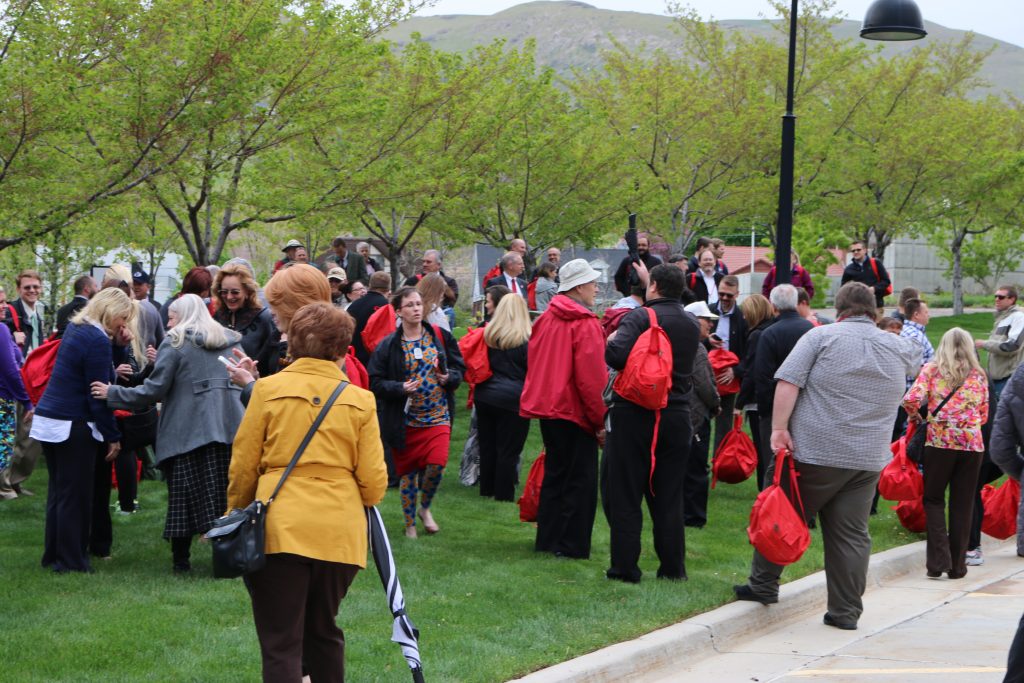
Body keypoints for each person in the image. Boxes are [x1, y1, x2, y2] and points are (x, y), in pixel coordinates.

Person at [733, 282, 920, 630]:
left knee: (781, 513)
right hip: (867, 458)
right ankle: (845, 612)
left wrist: (778, 429)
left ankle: (762, 585)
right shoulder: (897, 346)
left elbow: (788, 382)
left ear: (839, 309)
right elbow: (918, 362)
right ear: (875, 312)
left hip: (815, 451)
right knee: (851, 535)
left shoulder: (820, 337)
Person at [227, 302, 387, 682]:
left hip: (279, 526)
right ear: (342, 349)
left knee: (281, 642)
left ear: (291, 342)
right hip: (339, 533)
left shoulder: (266, 390)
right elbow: (374, 482)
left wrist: (235, 512)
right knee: (323, 632)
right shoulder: (360, 400)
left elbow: (244, 465)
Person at [94, 294, 245, 572]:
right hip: (229, 430)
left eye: (172, 317)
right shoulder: (232, 340)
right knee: (225, 498)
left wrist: (113, 393)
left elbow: (153, 390)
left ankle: (181, 562)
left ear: (183, 316)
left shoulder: (175, 343)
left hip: (187, 432)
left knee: (183, 500)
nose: (169, 322)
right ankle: (228, 560)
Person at [603, 264, 699, 582]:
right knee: (668, 495)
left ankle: (625, 568)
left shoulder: (641, 317)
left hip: (636, 413)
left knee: (627, 493)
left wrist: (613, 339)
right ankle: (673, 569)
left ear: (653, 286)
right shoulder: (690, 322)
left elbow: (615, 355)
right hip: (677, 415)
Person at [32, 288, 132, 572]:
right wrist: (113, 436)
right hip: (72, 423)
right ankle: (72, 561)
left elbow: (101, 373)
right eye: (122, 318)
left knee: (60, 495)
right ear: (111, 312)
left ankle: (54, 555)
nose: (122, 325)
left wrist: (119, 346)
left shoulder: (77, 329)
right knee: (76, 497)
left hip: (51, 420)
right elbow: (99, 393)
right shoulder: (96, 338)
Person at [520, 259, 608, 559]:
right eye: (593, 283)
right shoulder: (584, 323)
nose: (597, 288)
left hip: (548, 408)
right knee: (580, 482)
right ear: (579, 286)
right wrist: (600, 421)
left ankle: (548, 538)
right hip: (573, 411)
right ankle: (572, 546)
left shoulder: (546, 319)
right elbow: (592, 379)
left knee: (556, 475)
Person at [367, 287, 464, 538]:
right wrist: (399, 387)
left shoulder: (440, 337)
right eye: (409, 305)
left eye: (419, 304)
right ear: (398, 311)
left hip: (437, 415)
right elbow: (374, 382)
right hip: (406, 420)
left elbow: (458, 368)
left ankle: (425, 508)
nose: (416, 309)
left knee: (437, 465)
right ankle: (410, 524)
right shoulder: (389, 345)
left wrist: (448, 377)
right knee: (408, 474)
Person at [903, 328, 989, 580]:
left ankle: (938, 561)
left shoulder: (932, 369)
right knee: (963, 504)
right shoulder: (979, 374)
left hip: (939, 442)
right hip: (972, 445)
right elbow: (983, 415)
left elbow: (910, 399)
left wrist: (916, 416)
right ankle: (958, 566)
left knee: (933, 499)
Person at [474, 294, 531, 502]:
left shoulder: (489, 335)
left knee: (488, 445)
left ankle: (487, 488)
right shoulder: (525, 340)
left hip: (485, 395)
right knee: (508, 449)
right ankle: (504, 494)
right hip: (513, 399)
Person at [0, 269, 46, 501]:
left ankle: (14, 481)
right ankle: (7, 484)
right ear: (19, 289)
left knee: (27, 435)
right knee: (14, 434)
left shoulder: (38, 311)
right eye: (27, 287)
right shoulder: (9, 313)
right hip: (16, 380)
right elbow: (8, 355)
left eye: (36, 287)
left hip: (32, 378)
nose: (32, 291)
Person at [682, 301, 721, 526]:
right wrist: (715, 403)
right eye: (707, 320)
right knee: (696, 469)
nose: (710, 324)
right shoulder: (697, 349)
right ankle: (694, 517)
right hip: (696, 417)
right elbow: (705, 384)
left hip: (682, 415)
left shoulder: (681, 344)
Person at [212, 262, 279, 377]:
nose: (229, 297)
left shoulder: (264, 318)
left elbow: (273, 362)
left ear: (247, 292)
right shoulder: (218, 317)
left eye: (235, 292)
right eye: (224, 292)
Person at [735, 293, 774, 487]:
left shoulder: (757, 335)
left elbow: (751, 371)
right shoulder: (772, 330)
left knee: (763, 450)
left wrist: (739, 403)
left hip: (759, 401)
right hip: (775, 398)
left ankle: (765, 492)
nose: (744, 318)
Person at [710, 275, 748, 453]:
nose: (724, 298)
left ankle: (720, 460)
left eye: (729, 295)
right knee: (699, 420)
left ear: (737, 294)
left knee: (724, 422)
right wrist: (705, 340)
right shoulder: (708, 311)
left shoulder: (743, 318)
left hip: (727, 379)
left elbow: (750, 352)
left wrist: (736, 370)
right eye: (721, 294)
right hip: (706, 375)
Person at [975, 285, 1024, 400]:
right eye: (996, 296)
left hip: (1009, 378)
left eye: (1001, 297)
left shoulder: (1018, 317)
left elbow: (1012, 346)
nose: (997, 299)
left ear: (1012, 299)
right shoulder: (1002, 318)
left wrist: (984, 344)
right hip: (997, 379)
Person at [0, 323, 31, 500]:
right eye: (1, 302)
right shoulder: (1, 329)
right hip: (3, 397)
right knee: (4, 444)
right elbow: (10, 370)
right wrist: (26, 401)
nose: (5, 306)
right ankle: (3, 490)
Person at [348, 272, 391, 364]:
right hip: (373, 361)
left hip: (352, 358)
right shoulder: (386, 307)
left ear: (370, 285)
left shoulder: (354, 305)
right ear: (388, 288)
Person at [840, 240, 891, 309]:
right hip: (857, 308)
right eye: (853, 250)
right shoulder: (848, 269)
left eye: (858, 250)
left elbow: (886, 281)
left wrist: (874, 289)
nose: (856, 252)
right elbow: (843, 289)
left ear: (864, 250)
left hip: (876, 306)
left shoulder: (876, 263)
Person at [613, 233, 662, 297]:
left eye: (644, 245)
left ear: (648, 246)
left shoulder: (656, 262)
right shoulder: (627, 260)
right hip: (630, 297)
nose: (641, 247)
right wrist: (626, 291)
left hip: (649, 297)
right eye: (638, 245)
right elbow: (618, 277)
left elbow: (661, 279)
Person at [131, 266, 164, 349]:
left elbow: (160, 335)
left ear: (149, 286)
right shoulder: (127, 305)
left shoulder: (157, 306)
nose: (136, 287)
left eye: (139, 284)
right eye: (133, 284)